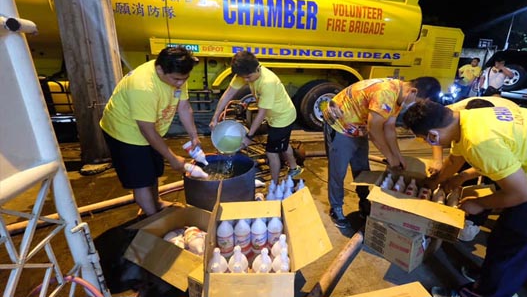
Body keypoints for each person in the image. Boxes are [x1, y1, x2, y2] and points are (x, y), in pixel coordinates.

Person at [402, 100, 527, 297]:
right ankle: (489, 279)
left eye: (424, 139)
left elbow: (522, 193)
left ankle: (489, 292)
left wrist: (478, 203)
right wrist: (438, 181)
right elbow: (455, 159)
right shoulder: (467, 119)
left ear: (433, 135)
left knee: (514, 247)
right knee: (501, 238)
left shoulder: (480, 141)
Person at [322, 76, 441, 228]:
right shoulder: (386, 93)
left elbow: (389, 128)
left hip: (358, 125)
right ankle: (336, 208)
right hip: (340, 125)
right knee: (338, 171)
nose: (413, 106)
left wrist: (398, 156)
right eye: (416, 102)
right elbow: (374, 130)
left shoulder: (399, 96)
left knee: (361, 166)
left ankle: (364, 200)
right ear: (413, 91)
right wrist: (389, 157)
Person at [100, 46, 200, 217]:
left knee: (152, 171)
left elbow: (184, 106)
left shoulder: (178, 73)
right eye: (176, 79)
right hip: (125, 132)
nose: (180, 83)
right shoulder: (143, 86)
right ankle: (153, 219)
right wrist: (172, 158)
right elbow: (146, 129)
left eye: (184, 79)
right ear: (159, 69)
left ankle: (157, 203)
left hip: (151, 129)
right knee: (141, 180)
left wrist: (194, 135)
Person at [210, 51, 302, 184]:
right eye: (243, 77)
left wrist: (249, 137)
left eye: (248, 77)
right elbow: (228, 94)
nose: (245, 81)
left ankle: (274, 185)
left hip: (282, 118)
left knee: (271, 152)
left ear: (257, 68)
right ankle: (294, 168)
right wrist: (215, 117)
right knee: (282, 143)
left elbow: (261, 113)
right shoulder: (245, 73)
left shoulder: (267, 82)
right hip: (274, 116)